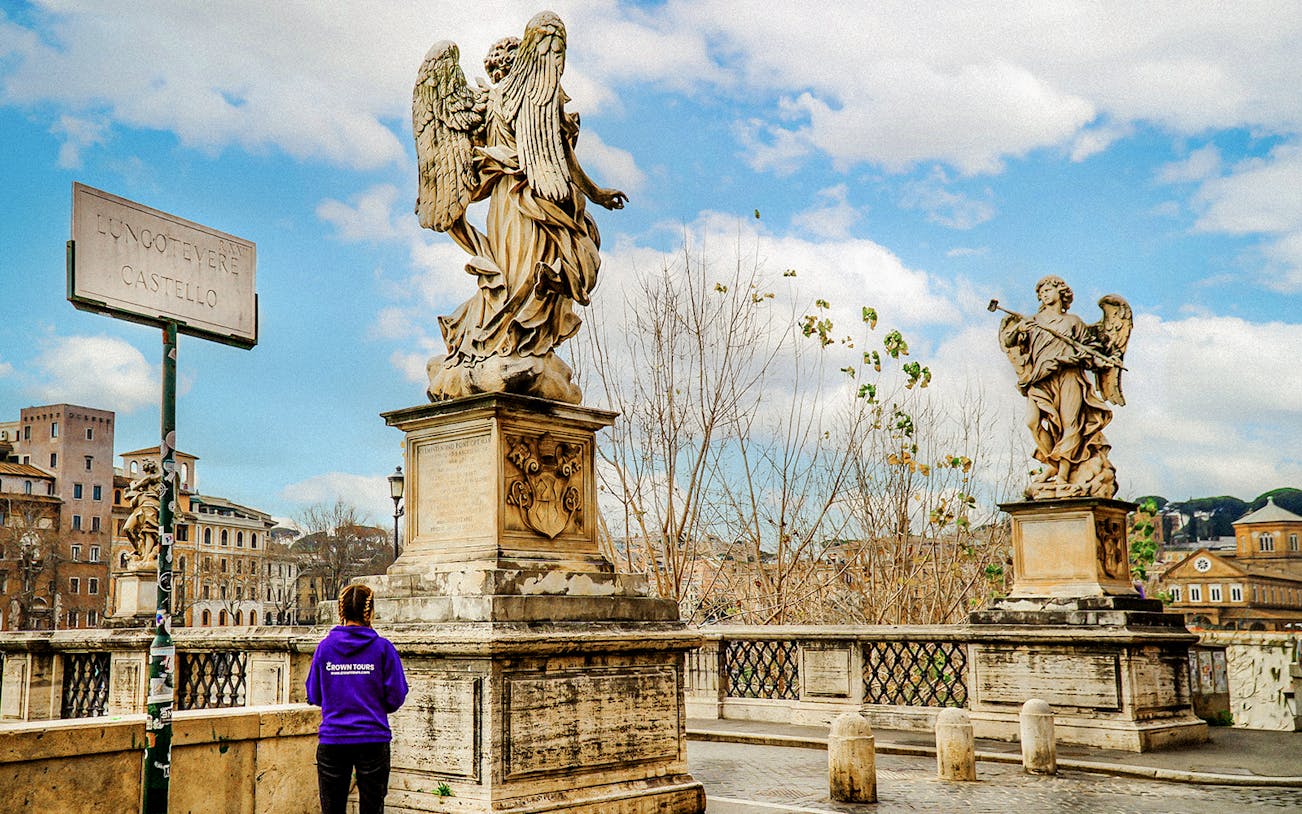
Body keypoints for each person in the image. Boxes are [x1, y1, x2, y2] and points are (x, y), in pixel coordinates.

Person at [307, 584, 409, 814]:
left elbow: (314, 694)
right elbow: (395, 697)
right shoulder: (383, 648)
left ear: (340, 612)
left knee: (332, 809)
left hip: (334, 738)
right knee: (373, 808)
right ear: (370, 612)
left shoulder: (324, 648)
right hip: (372, 738)